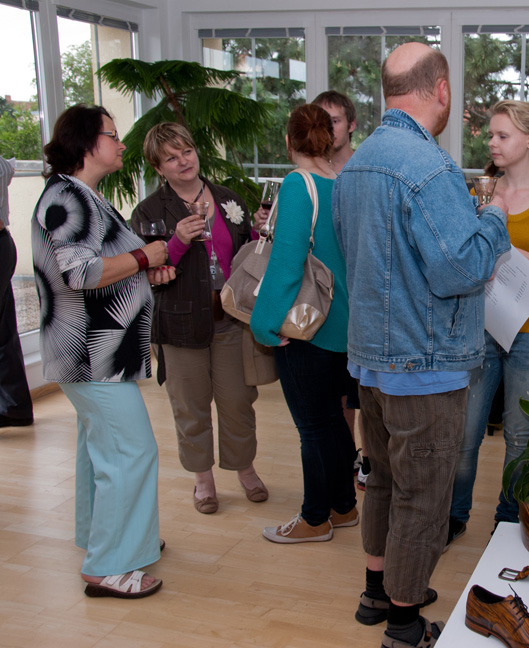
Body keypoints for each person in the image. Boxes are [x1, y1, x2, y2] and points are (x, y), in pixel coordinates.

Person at [333, 43, 511, 648]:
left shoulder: (356, 164)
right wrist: (493, 218)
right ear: (440, 90)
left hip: (372, 363)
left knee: (383, 480)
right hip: (425, 364)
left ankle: (377, 593)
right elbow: (461, 269)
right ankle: (405, 627)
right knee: (423, 497)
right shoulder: (431, 168)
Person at [31, 104, 174, 598]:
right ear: (87, 142)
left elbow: (101, 265)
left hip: (99, 353)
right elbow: (80, 273)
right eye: (112, 135)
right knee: (131, 451)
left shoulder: (81, 194)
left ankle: (109, 538)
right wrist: (143, 256)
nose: (121, 143)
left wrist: (143, 269)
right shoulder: (65, 198)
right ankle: (109, 565)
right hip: (91, 355)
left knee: (102, 453)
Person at [447, 100, 529, 544]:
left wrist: (515, 253)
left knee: (521, 437)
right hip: (480, 328)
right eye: (491, 135)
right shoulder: (482, 194)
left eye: (502, 135)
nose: (492, 143)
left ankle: (507, 522)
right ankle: (453, 516)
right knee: (466, 433)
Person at [132, 122, 270, 515]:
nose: (183, 162)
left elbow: (247, 257)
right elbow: (144, 271)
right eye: (171, 158)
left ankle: (245, 468)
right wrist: (176, 241)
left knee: (238, 402)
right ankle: (203, 480)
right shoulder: (148, 211)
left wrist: (260, 232)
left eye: (186, 152)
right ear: (158, 168)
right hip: (179, 326)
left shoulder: (228, 200)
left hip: (230, 320)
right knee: (190, 407)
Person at [251, 104, 359, 544]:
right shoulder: (346, 184)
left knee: (312, 427)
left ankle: (314, 518)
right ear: (330, 139)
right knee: (333, 420)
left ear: (288, 141)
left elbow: (286, 263)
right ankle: (343, 506)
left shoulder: (298, 184)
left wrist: (263, 322)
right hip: (345, 324)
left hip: (307, 326)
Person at [310, 90, 371, 491]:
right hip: (324, 298)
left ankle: (370, 459)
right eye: (320, 120)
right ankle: (345, 456)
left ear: (351, 125)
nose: (327, 128)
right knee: (335, 393)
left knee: (366, 392)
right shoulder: (308, 174)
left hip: (364, 297)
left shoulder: (365, 169)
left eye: (333, 120)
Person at [0, 156, 34, 428]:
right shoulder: (3, 163)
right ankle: (15, 408)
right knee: (4, 332)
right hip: (3, 245)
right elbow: (9, 169)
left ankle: (14, 407)